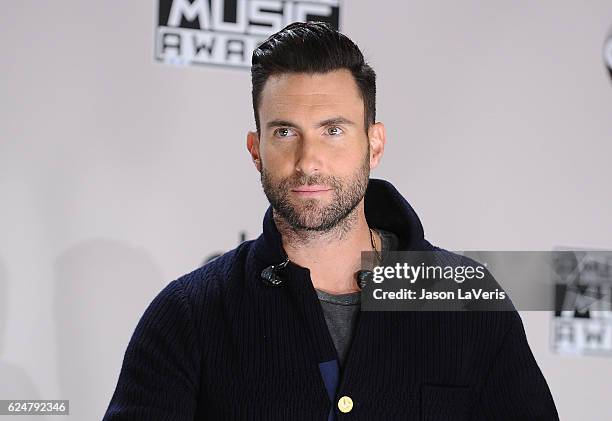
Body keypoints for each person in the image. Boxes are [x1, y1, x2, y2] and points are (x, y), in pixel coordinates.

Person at [103, 22, 559, 420]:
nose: (309, 160)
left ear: (374, 145)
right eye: (285, 132)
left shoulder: (465, 302)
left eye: (333, 130)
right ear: (255, 149)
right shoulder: (189, 315)